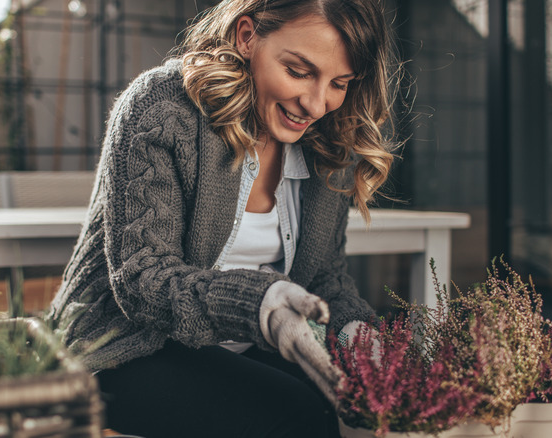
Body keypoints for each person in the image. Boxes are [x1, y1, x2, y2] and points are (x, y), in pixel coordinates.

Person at [47, 0, 397, 436]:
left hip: (244, 341)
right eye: (299, 71)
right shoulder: (162, 107)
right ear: (247, 36)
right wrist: (261, 306)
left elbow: (325, 279)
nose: (316, 103)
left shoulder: (330, 141)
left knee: (355, 407)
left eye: (339, 83)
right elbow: (144, 282)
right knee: (297, 416)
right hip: (121, 345)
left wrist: (355, 338)